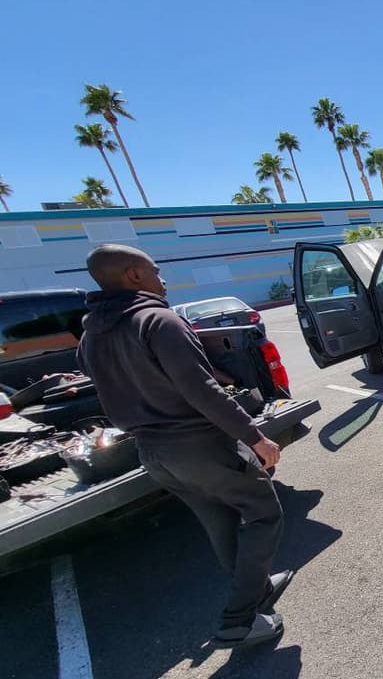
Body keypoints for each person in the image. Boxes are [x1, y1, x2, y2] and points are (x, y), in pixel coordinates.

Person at [77, 243, 293, 649]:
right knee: (263, 514)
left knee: (220, 520)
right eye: (156, 271)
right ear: (134, 275)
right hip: (198, 443)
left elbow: (102, 382)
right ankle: (239, 621)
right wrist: (256, 437)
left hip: (153, 453)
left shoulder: (91, 334)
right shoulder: (158, 320)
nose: (163, 279)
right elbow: (202, 390)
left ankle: (259, 589)